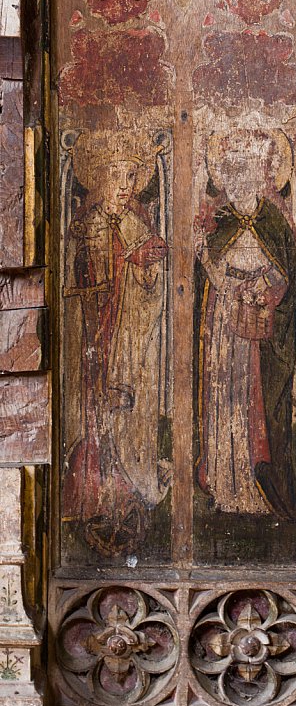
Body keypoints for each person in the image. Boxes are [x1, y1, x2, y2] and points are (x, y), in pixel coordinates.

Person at [62, 130, 169, 556]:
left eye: (131, 177)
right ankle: (96, 493)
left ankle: (129, 488)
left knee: (126, 412)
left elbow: (153, 282)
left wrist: (146, 267)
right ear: (99, 180)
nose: (125, 186)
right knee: (97, 411)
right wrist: (124, 258)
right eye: (117, 176)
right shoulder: (86, 224)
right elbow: (82, 278)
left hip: (130, 337)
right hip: (97, 334)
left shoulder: (136, 221)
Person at [194, 131, 296, 521]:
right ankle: (225, 483)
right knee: (224, 395)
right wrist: (208, 261)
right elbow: (211, 274)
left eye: (248, 170)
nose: (240, 179)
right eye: (232, 171)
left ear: (262, 175)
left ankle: (256, 485)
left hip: (258, 321)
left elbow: (289, 272)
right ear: (223, 176)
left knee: (252, 397)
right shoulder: (219, 220)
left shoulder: (273, 220)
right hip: (224, 318)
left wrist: (264, 289)